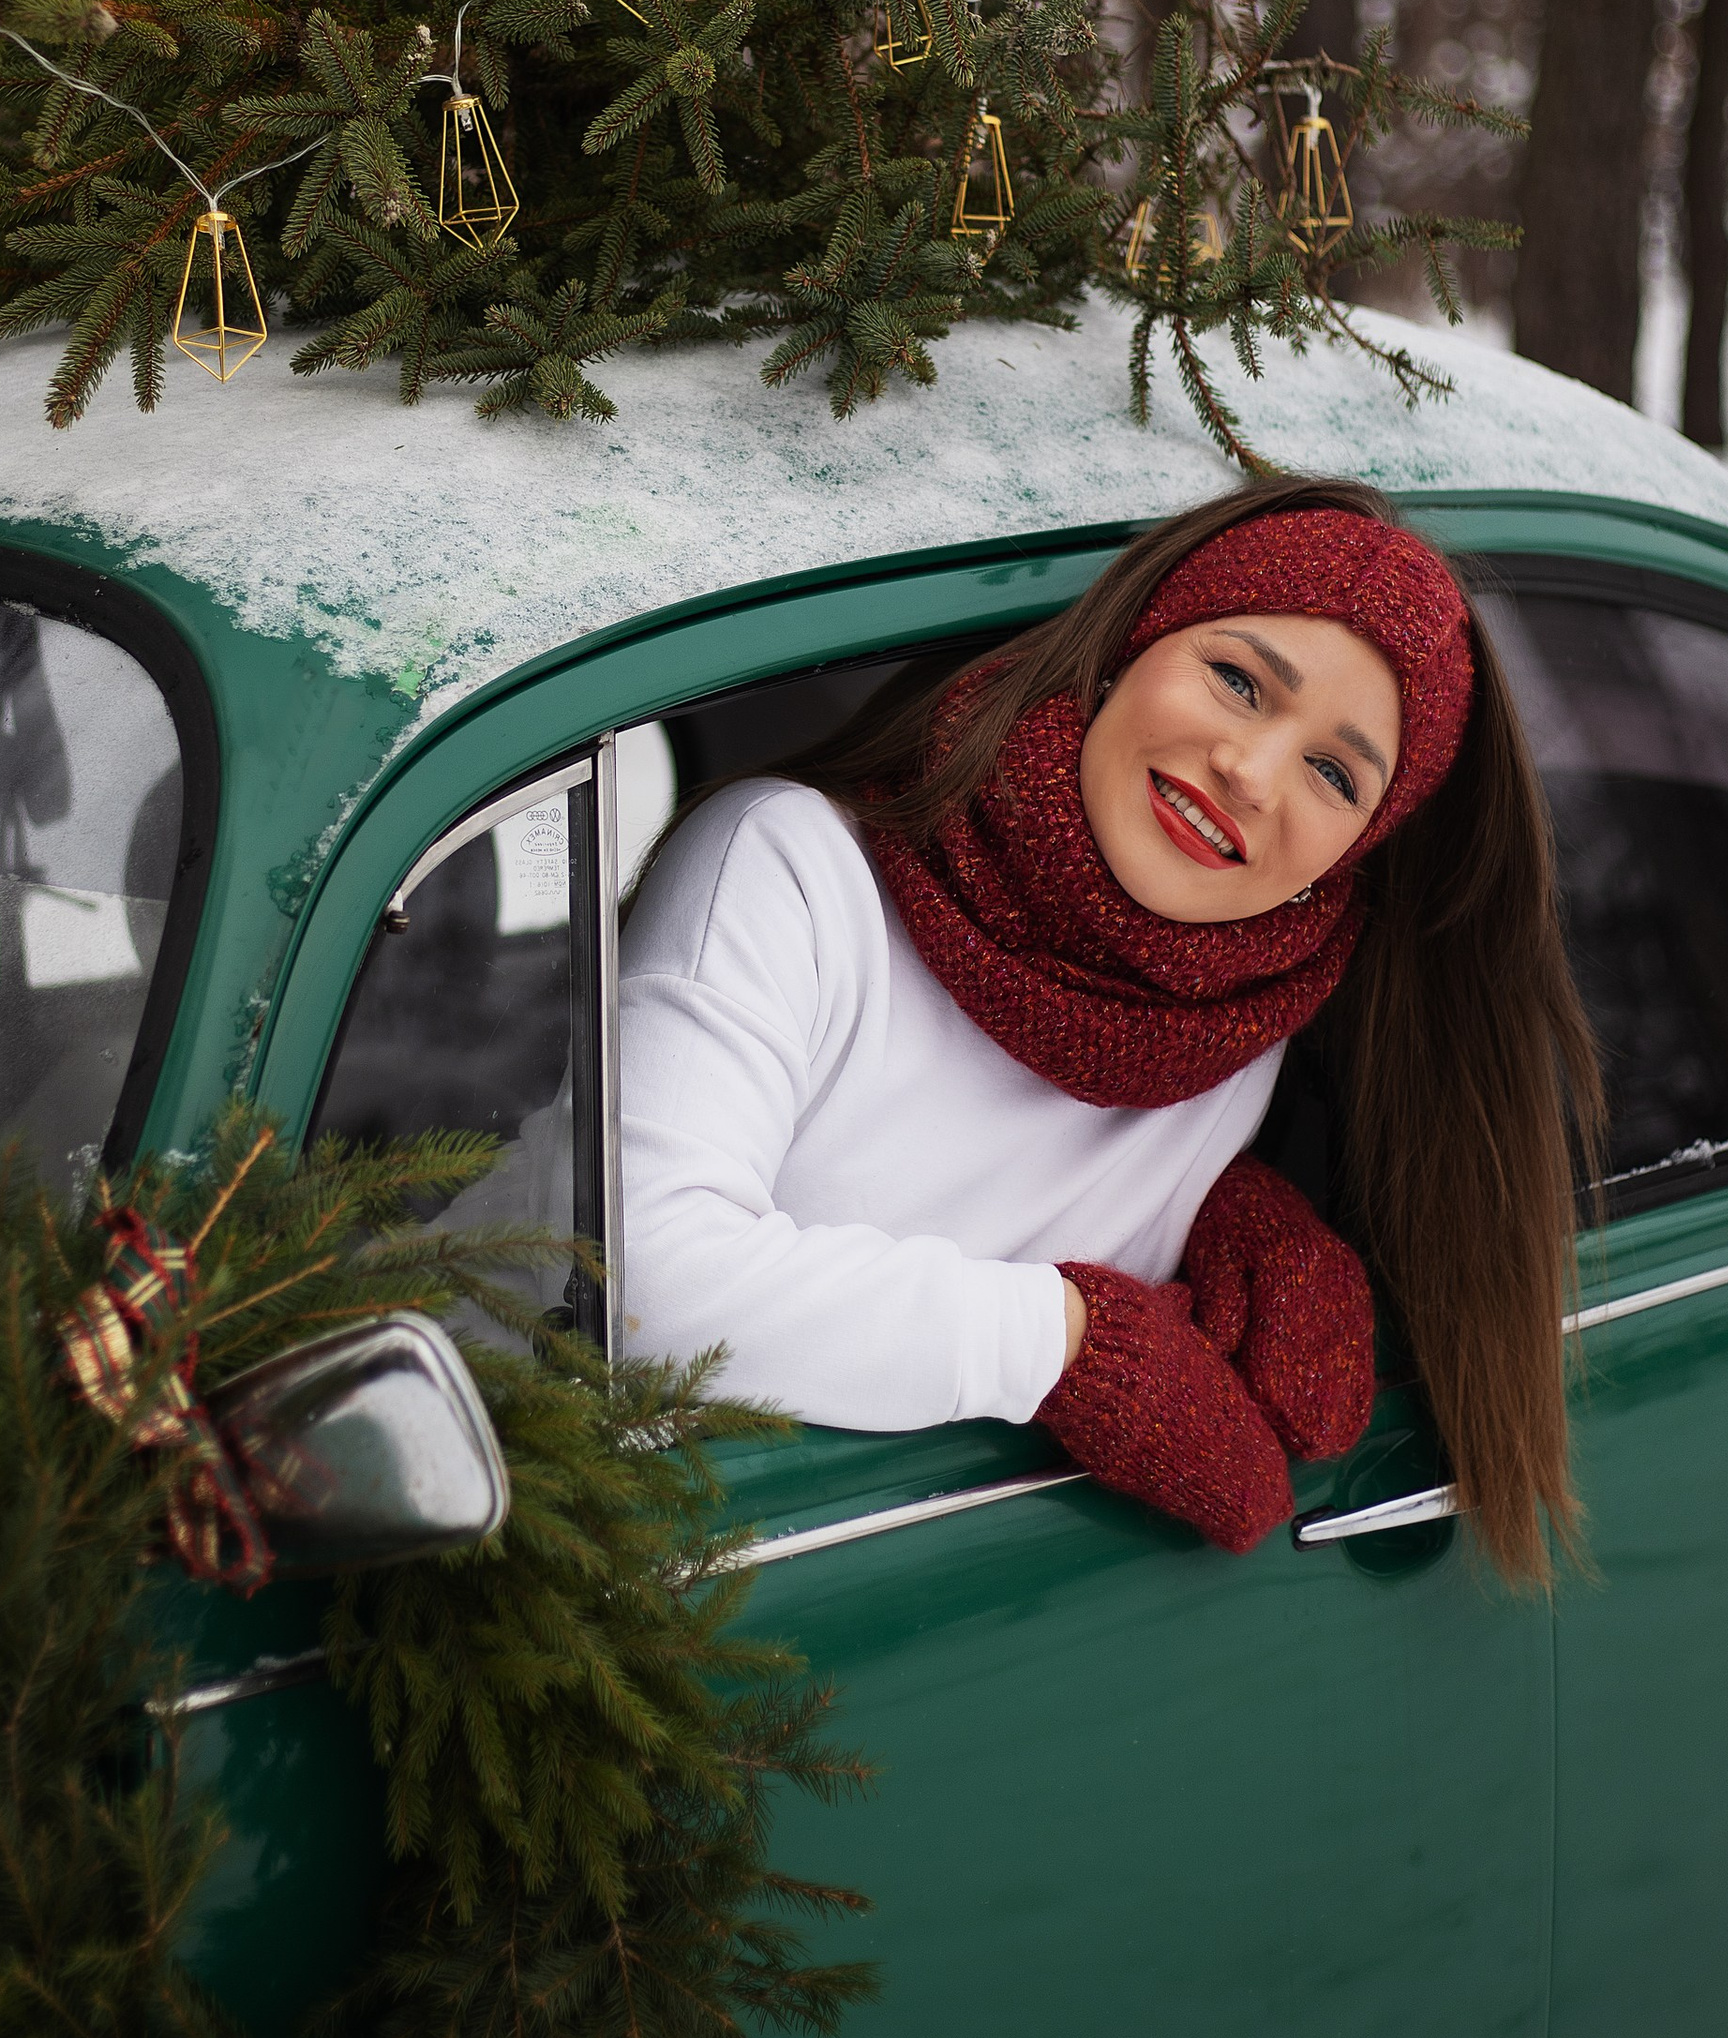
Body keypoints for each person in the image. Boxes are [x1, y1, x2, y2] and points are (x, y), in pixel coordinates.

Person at [617, 478, 1601, 1579]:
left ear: (1353, 851)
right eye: (1236, 681)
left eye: (1334, 773)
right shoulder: (792, 868)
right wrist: (1069, 1346)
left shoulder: (1244, 1020)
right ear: (1130, 645)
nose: (1252, 771)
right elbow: (646, 1289)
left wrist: (1236, 1212)